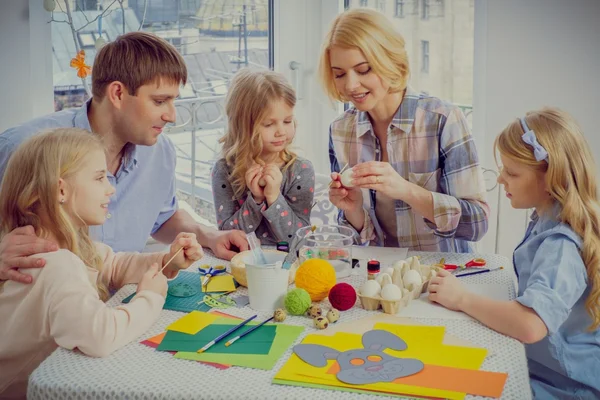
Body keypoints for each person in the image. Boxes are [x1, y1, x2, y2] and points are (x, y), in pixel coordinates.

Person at [0, 31, 248, 285]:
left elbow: (163, 217)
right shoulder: (22, 147)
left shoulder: (160, 152)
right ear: (117, 93)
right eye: (160, 101)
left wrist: (209, 235)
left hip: (121, 300)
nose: (172, 116)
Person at [0, 128, 203, 398]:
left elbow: (115, 265)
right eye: (99, 178)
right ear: (61, 189)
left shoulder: (65, 247)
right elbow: (100, 336)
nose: (111, 188)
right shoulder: (55, 264)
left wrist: (168, 261)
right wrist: (149, 298)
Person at [428, 108, 600, 398]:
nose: (500, 179)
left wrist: (461, 298)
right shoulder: (545, 219)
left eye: (512, 172)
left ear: (550, 179)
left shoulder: (561, 245)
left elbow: (531, 325)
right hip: (545, 367)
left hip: (566, 386)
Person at [319, 8, 489, 252]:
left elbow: (477, 223)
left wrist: (406, 190)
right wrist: (354, 210)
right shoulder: (340, 131)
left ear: (389, 60)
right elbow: (360, 240)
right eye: (339, 74)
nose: (351, 85)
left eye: (364, 69)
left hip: (444, 278)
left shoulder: (443, 120)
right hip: (379, 278)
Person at [211, 68, 315, 245]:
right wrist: (256, 200)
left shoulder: (300, 170)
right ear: (242, 126)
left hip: (287, 267)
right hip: (241, 264)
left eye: (287, 121)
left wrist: (274, 197)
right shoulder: (225, 170)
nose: (281, 131)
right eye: (268, 124)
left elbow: (300, 240)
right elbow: (227, 236)